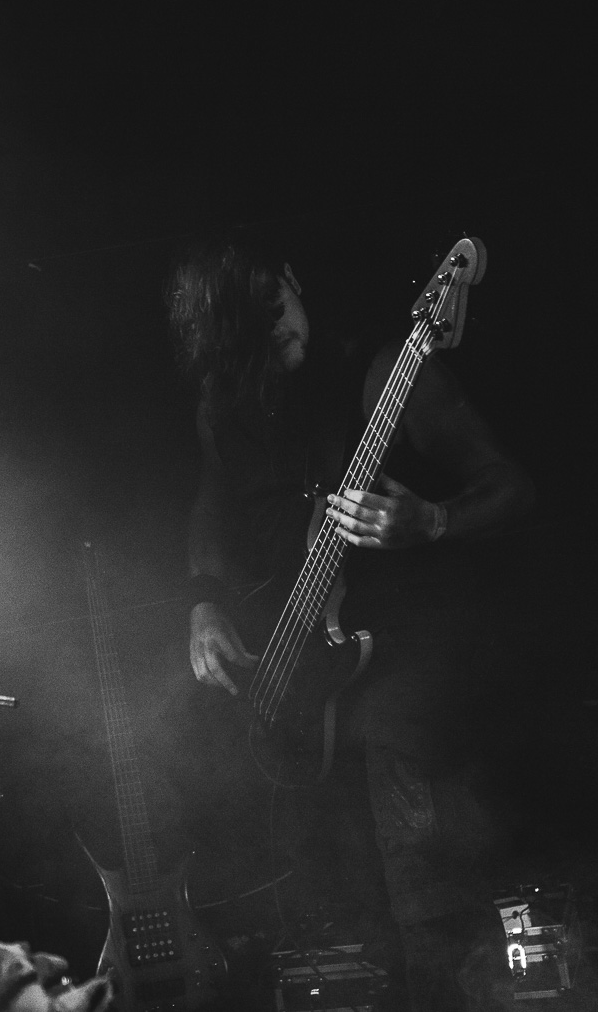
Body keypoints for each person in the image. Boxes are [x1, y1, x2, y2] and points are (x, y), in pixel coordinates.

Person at [165, 233, 534, 1012]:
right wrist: (203, 600)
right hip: (302, 689)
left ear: (293, 278)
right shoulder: (224, 406)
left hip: (407, 672)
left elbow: (511, 485)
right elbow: (207, 506)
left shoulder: (379, 373)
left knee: (430, 911)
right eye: (254, 329)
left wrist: (433, 519)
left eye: (278, 307)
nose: (278, 332)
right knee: (348, 931)